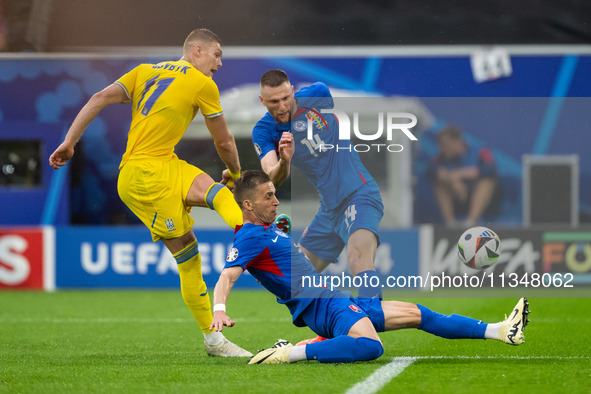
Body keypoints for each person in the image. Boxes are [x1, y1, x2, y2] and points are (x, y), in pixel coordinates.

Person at [49, 28, 251, 358]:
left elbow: (97, 98)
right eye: (217, 55)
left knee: (217, 193)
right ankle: (214, 341)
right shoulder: (202, 84)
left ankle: (253, 236)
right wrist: (239, 173)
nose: (219, 63)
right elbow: (225, 142)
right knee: (189, 257)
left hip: (165, 163)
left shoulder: (144, 71)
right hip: (144, 177)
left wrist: (69, 142)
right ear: (196, 50)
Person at [210, 170, 530, 364]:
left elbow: (277, 251)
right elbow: (228, 275)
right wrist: (220, 308)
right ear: (249, 205)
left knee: (419, 314)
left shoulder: (266, 229)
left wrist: (230, 182)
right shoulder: (250, 236)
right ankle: (291, 353)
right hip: (323, 305)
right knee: (370, 347)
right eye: (269, 197)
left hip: (333, 297)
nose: (276, 200)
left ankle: (501, 332)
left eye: (275, 194)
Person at [253, 69, 384, 300]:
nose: (282, 106)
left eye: (285, 98)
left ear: (292, 91)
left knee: (357, 258)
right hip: (329, 210)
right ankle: (336, 322)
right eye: (274, 102)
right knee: (295, 285)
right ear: (262, 101)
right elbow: (271, 179)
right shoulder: (263, 132)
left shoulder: (318, 93)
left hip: (359, 194)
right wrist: (284, 160)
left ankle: (373, 326)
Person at [429, 126, 502, 227]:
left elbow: (491, 169)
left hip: (486, 201)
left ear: (457, 141)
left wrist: (459, 174)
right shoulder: (440, 158)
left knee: (487, 181)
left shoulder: (480, 152)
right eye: (441, 145)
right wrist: (453, 180)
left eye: (446, 145)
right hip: (458, 199)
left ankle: (471, 222)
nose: (442, 148)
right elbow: (431, 171)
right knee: (439, 183)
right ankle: (450, 223)